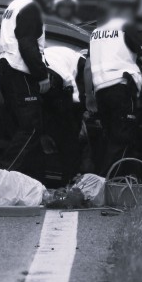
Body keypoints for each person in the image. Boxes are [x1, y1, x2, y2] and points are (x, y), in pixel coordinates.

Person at [87, 0, 142, 172]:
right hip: (122, 90)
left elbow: (88, 68)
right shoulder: (128, 28)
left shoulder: (95, 34)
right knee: (122, 140)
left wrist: (89, 96)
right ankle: (105, 186)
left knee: (110, 139)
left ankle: (106, 183)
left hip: (101, 92)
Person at [0, 0, 55, 177]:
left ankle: (29, 182)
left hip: (5, 68)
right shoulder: (31, 7)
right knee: (31, 128)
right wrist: (42, 75)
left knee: (21, 129)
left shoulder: (15, 5)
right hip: (19, 70)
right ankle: (0, 177)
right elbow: (27, 44)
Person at [41, 45, 88, 183]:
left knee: (52, 126)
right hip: (57, 78)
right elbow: (77, 98)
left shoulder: (62, 53)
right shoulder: (83, 64)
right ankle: (70, 179)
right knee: (69, 136)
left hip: (38, 73)